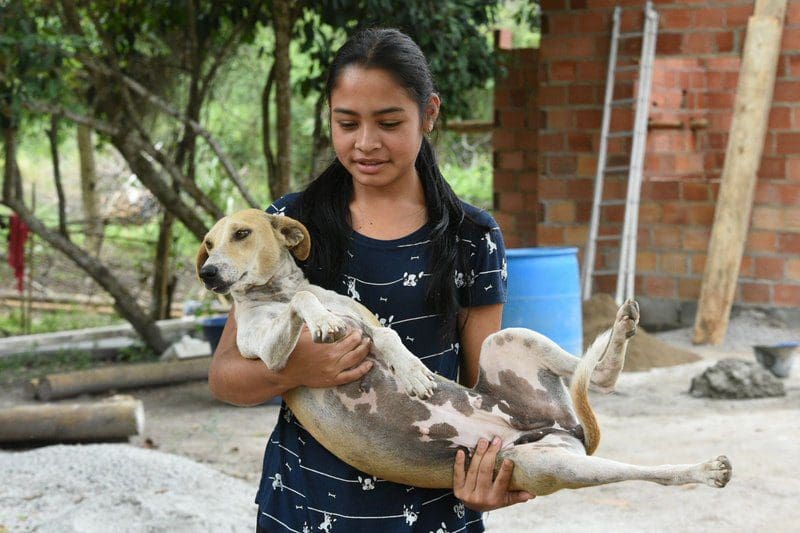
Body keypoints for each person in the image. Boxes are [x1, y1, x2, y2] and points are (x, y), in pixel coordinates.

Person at [208, 27, 532, 532]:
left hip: (431, 512)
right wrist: (295, 369)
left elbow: (483, 392)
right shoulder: (286, 227)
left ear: (429, 114)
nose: (365, 143)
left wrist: (490, 475)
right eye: (347, 122)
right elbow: (225, 375)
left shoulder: (471, 235)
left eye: (388, 122)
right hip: (305, 509)